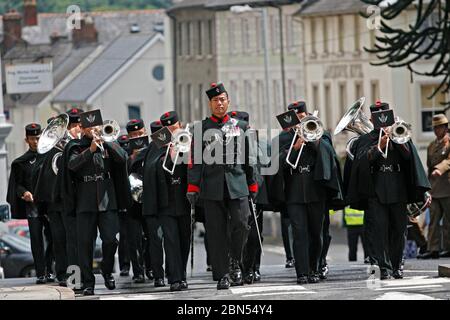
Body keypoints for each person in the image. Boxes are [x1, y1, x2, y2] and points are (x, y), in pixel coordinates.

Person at [347, 101, 431, 280]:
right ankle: (383, 267)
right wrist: (379, 146)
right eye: (378, 117)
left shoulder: (400, 134)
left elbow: (410, 158)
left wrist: (397, 140)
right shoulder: (365, 139)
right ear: (371, 119)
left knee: (399, 230)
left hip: (398, 189)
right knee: (380, 231)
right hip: (376, 191)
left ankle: (397, 265)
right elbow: (361, 162)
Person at [187, 83, 257, 290]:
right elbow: (195, 160)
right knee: (215, 232)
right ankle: (222, 274)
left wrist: (252, 184)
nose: (220, 103)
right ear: (210, 104)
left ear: (228, 101)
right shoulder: (200, 129)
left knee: (242, 223)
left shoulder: (240, 126)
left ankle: (235, 260)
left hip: (238, 184)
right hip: (212, 186)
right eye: (215, 100)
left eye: (223, 99)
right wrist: (193, 186)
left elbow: (249, 157)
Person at [61, 109, 131, 295]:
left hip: (108, 202)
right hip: (85, 202)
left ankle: (107, 270)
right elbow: (71, 166)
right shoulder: (75, 146)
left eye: (96, 126)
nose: (93, 130)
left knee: (110, 240)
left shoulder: (108, 142)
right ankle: (88, 283)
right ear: (83, 129)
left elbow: (123, 158)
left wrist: (108, 143)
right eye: (89, 127)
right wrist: (90, 150)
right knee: (85, 245)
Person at [273, 101, 343, 284]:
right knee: (299, 233)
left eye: (302, 118)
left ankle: (315, 268)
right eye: (296, 119)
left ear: (307, 115)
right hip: (294, 192)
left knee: (316, 233)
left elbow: (329, 157)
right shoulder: (283, 138)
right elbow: (277, 163)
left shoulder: (320, 133)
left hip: (315, 190)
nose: (299, 122)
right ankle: (302, 272)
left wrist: (313, 141)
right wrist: (294, 148)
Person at [146, 111, 192, 291]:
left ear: (179, 125)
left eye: (175, 128)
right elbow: (150, 167)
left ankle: (182, 274)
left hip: (184, 197)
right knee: (171, 239)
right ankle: (175, 278)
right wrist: (165, 155)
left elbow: (195, 164)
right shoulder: (158, 143)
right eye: (168, 129)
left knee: (184, 239)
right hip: (166, 199)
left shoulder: (188, 139)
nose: (173, 132)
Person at [7, 123, 55, 284]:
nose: (36, 141)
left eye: (38, 137)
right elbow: (17, 185)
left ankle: (50, 269)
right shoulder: (21, 162)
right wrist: (24, 193)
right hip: (32, 205)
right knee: (36, 239)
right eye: (32, 139)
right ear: (26, 140)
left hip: (49, 204)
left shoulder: (51, 156)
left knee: (53, 237)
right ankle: (41, 273)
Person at [419, 114, 450, 259]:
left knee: (448, 221)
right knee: (433, 221)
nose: (437, 130)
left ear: (445, 127)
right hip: (435, 188)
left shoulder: (449, 143)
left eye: (440, 127)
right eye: (435, 127)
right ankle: (433, 249)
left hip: (447, 187)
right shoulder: (432, 145)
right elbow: (429, 166)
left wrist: (440, 168)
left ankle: (448, 248)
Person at [142, 120, 167, 287]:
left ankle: (174, 273)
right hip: (153, 204)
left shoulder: (174, 147)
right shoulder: (148, 151)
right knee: (156, 240)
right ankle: (158, 274)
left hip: (169, 203)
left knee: (172, 241)